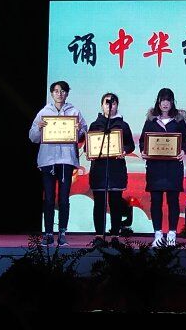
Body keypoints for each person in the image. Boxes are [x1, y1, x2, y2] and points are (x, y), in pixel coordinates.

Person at [29, 80, 87, 247]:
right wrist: (39, 128)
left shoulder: (74, 111)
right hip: (48, 160)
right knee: (48, 198)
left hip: (66, 160)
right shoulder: (44, 112)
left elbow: (84, 133)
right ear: (51, 93)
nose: (59, 94)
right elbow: (33, 137)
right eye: (56, 91)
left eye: (62, 91)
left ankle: (62, 233)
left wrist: (79, 129)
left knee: (63, 198)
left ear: (67, 93)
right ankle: (48, 233)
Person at [139, 88, 186, 248]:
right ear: (158, 101)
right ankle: (158, 234)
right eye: (163, 100)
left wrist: (183, 151)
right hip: (155, 167)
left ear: (172, 102)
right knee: (156, 201)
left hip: (173, 167)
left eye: (168, 100)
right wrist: (144, 151)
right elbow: (143, 141)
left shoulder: (179, 121)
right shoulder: (151, 120)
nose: (165, 103)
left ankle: (172, 234)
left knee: (173, 201)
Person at [88, 92, 136, 242]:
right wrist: (90, 153)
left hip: (116, 169)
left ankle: (115, 235)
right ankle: (99, 235)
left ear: (117, 106)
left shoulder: (123, 125)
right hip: (99, 169)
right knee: (99, 203)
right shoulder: (95, 125)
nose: (110, 106)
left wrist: (124, 151)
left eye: (113, 103)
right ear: (102, 105)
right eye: (107, 103)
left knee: (115, 203)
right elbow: (89, 146)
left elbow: (130, 145)